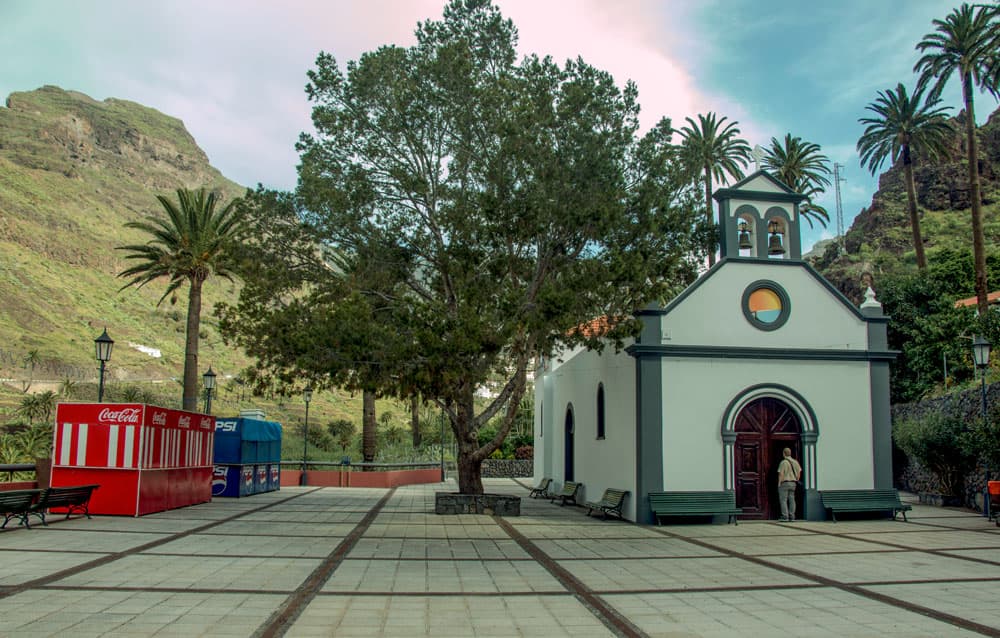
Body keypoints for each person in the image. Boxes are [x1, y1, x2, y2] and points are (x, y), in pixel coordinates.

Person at [777, 447, 802, 521]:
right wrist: (796, 479)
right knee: (792, 499)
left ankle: (785, 516)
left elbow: (781, 474)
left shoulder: (783, 462)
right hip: (793, 483)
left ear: (784, 453)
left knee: (783, 500)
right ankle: (792, 516)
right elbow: (799, 473)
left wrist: (779, 483)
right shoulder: (795, 462)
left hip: (785, 483)